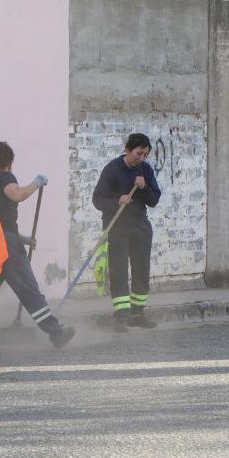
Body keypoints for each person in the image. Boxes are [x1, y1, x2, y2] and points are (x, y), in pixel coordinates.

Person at [0, 141, 76, 352]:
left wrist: (23, 238)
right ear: (9, 162)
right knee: (29, 290)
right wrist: (35, 184)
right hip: (5, 246)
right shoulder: (5, 178)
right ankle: (56, 332)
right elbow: (17, 195)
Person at [92, 132, 163, 330]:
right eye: (138, 153)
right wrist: (117, 202)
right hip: (117, 228)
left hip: (140, 226)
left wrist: (144, 187)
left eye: (145, 155)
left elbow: (154, 200)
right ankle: (121, 317)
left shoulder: (145, 171)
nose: (141, 158)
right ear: (127, 150)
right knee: (119, 272)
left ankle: (138, 314)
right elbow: (97, 199)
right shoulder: (112, 170)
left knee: (141, 271)